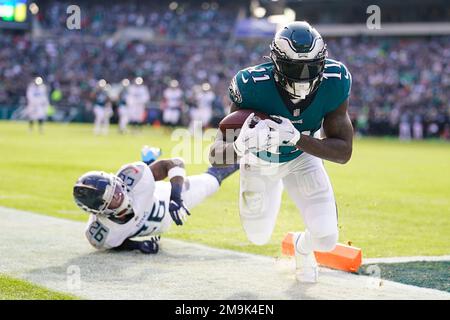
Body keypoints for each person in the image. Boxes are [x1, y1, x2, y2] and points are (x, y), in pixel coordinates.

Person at [209, 21, 353, 283]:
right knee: (258, 236)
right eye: (294, 67)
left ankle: (301, 246)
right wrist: (242, 145)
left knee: (326, 238)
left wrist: (297, 139)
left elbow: (343, 152)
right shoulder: (252, 84)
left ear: (323, 61)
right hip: (260, 160)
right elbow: (215, 155)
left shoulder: (335, 81)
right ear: (276, 62)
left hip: (301, 159)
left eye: (311, 66)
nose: (304, 75)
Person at [73, 149, 238, 253]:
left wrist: (176, 196)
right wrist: (137, 245)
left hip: (164, 197)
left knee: (212, 180)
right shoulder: (101, 234)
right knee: (145, 178)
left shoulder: (131, 179)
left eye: (115, 187)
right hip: (155, 214)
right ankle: (148, 160)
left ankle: (245, 154)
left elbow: (175, 163)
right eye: (111, 198)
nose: (119, 194)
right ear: (102, 212)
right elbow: (114, 243)